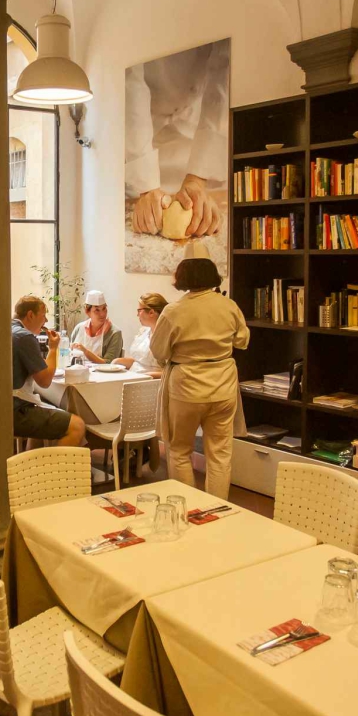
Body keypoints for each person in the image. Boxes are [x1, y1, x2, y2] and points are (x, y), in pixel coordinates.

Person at [151, 251, 249, 499]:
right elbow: (243, 341)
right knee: (220, 454)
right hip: (223, 385)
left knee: (179, 450)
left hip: (187, 387)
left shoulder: (174, 311)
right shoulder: (229, 306)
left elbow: (159, 350)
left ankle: (188, 506)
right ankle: (217, 508)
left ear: (182, 278)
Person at [126, 39, 229, 238]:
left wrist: (198, 179)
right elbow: (129, 80)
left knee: (202, 214)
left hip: (197, 135)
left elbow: (224, 73)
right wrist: (145, 187)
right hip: (136, 139)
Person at [11, 296, 86, 447]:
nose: (45, 321)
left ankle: (35, 461)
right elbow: (45, 381)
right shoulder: (25, 337)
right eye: (43, 315)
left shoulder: (8, 329)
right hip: (15, 410)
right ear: (30, 315)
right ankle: (57, 464)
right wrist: (53, 349)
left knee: (46, 408)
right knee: (77, 426)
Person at [114, 292, 168, 377]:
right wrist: (117, 361)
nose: (137, 315)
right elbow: (139, 361)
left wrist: (147, 376)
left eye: (139, 311)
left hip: (150, 381)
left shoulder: (166, 336)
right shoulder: (144, 331)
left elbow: (171, 372)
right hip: (134, 376)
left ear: (151, 312)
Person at [68, 289, 123, 364]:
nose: (102, 314)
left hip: (101, 372)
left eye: (104, 308)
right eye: (97, 310)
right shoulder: (79, 328)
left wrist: (85, 351)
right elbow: (69, 354)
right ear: (87, 312)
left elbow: (109, 363)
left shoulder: (115, 333)